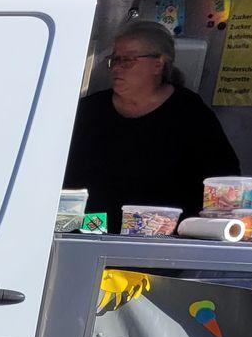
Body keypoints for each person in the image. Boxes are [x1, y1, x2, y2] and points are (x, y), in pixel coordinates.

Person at [64, 19, 239, 233]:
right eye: (114, 59)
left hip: (162, 244)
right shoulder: (89, 111)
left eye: (127, 60)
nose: (117, 67)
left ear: (158, 63)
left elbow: (223, 182)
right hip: (89, 236)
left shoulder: (189, 113)